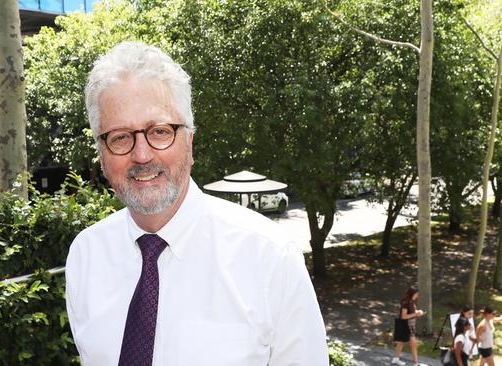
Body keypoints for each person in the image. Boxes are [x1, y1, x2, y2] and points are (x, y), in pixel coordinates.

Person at [64, 41, 328, 366]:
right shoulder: (85, 256)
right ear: (101, 152)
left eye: (160, 132)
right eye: (120, 137)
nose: (142, 155)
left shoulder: (269, 258)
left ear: (190, 141)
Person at [392, 286, 426, 366]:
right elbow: (404, 316)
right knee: (413, 344)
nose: (417, 296)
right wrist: (416, 314)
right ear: (412, 294)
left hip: (410, 325)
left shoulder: (412, 302)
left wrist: (418, 312)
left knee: (401, 343)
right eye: (416, 294)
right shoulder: (406, 303)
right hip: (406, 325)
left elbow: (411, 312)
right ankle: (416, 363)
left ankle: (396, 359)